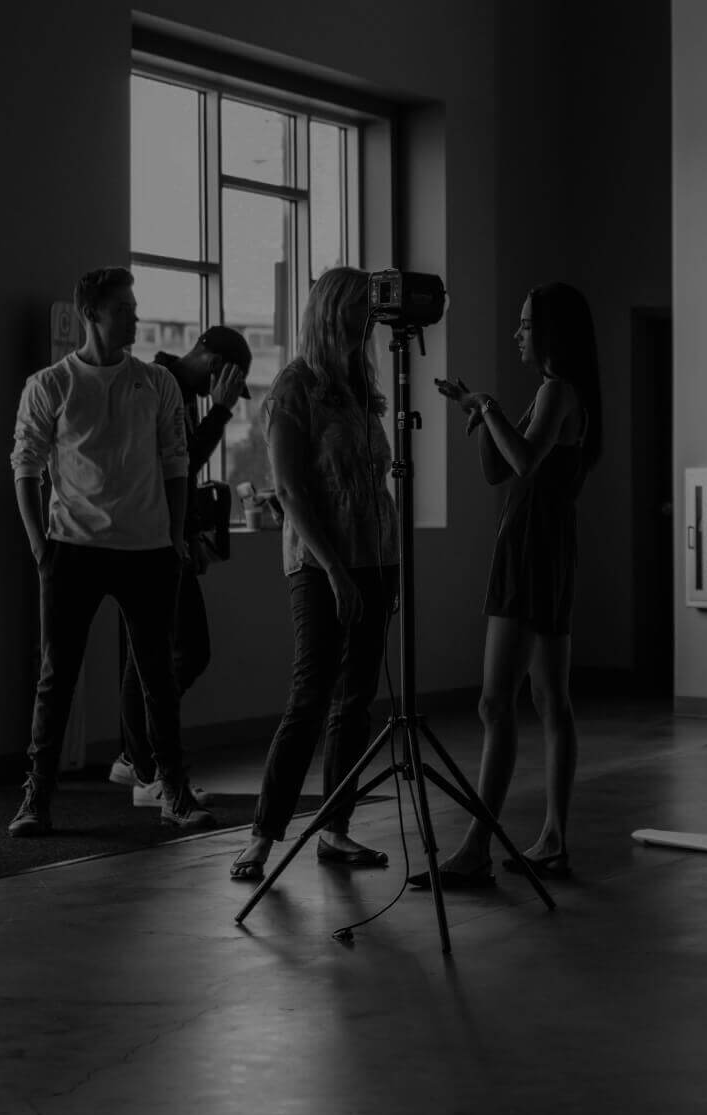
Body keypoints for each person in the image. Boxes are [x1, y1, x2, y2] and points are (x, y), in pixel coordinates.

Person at [9, 266, 216, 836]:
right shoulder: (51, 384)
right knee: (57, 678)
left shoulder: (156, 382)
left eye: (134, 306)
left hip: (147, 551)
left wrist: (175, 538)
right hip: (71, 549)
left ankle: (173, 792)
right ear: (91, 314)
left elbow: (176, 462)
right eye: (123, 308)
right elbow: (25, 465)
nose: (135, 317)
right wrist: (39, 546)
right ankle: (36, 798)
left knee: (159, 678)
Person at [415, 282, 602, 889]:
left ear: (551, 331)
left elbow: (523, 461)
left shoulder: (556, 390)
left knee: (495, 703)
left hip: (531, 554)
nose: (517, 333)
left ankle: (477, 847)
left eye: (526, 324)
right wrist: (480, 413)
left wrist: (490, 408)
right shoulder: (555, 392)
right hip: (546, 551)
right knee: (549, 701)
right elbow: (499, 468)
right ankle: (553, 840)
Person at [228, 267, 399, 880]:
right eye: (359, 304)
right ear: (331, 311)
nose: (370, 315)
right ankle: (262, 835)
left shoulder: (359, 387)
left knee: (355, 703)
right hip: (320, 564)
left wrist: (380, 565)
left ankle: (335, 829)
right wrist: (335, 571)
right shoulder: (295, 387)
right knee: (310, 697)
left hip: (375, 559)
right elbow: (291, 490)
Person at [108, 324, 251, 808]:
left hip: (170, 539)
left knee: (172, 653)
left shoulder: (181, 390)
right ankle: (142, 765)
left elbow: (180, 474)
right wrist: (222, 412)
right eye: (226, 384)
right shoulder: (159, 383)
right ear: (217, 366)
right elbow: (181, 462)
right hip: (149, 541)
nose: (221, 394)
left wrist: (190, 535)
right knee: (168, 654)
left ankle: (138, 757)